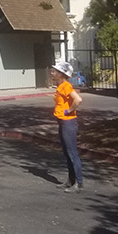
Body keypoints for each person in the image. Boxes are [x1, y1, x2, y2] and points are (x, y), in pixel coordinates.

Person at [51, 61, 84, 193]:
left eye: (54, 71)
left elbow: (78, 100)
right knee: (67, 152)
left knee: (72, 153)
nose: (52, 72)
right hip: (62, 122)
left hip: (68, 123)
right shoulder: (60, 86)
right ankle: (70, 180)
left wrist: (69, 110)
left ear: (61, 74)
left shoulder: (66, 86)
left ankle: (79, 182)